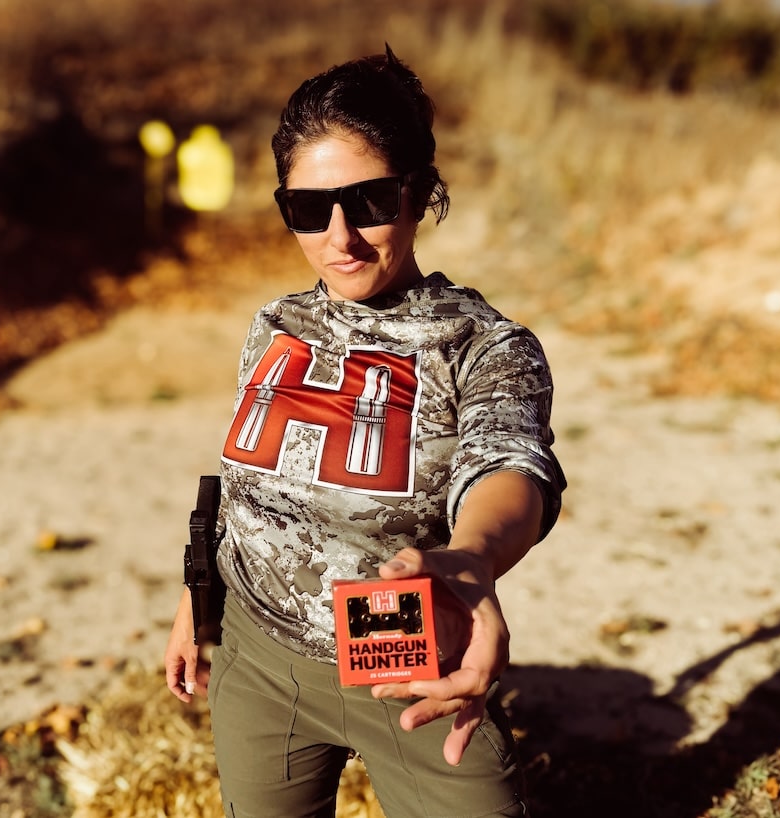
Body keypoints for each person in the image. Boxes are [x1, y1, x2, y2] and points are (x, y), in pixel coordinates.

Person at [165, 46, 566, 818]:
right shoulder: (276, 324)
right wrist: (197, 600)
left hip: (408, 669)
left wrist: (473, 558)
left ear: (419, 194)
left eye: (371, 201)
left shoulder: (482, 346)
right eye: (309, 210)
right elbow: (249, 487)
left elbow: (508, 462)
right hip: (260, 664)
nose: (339, 238)